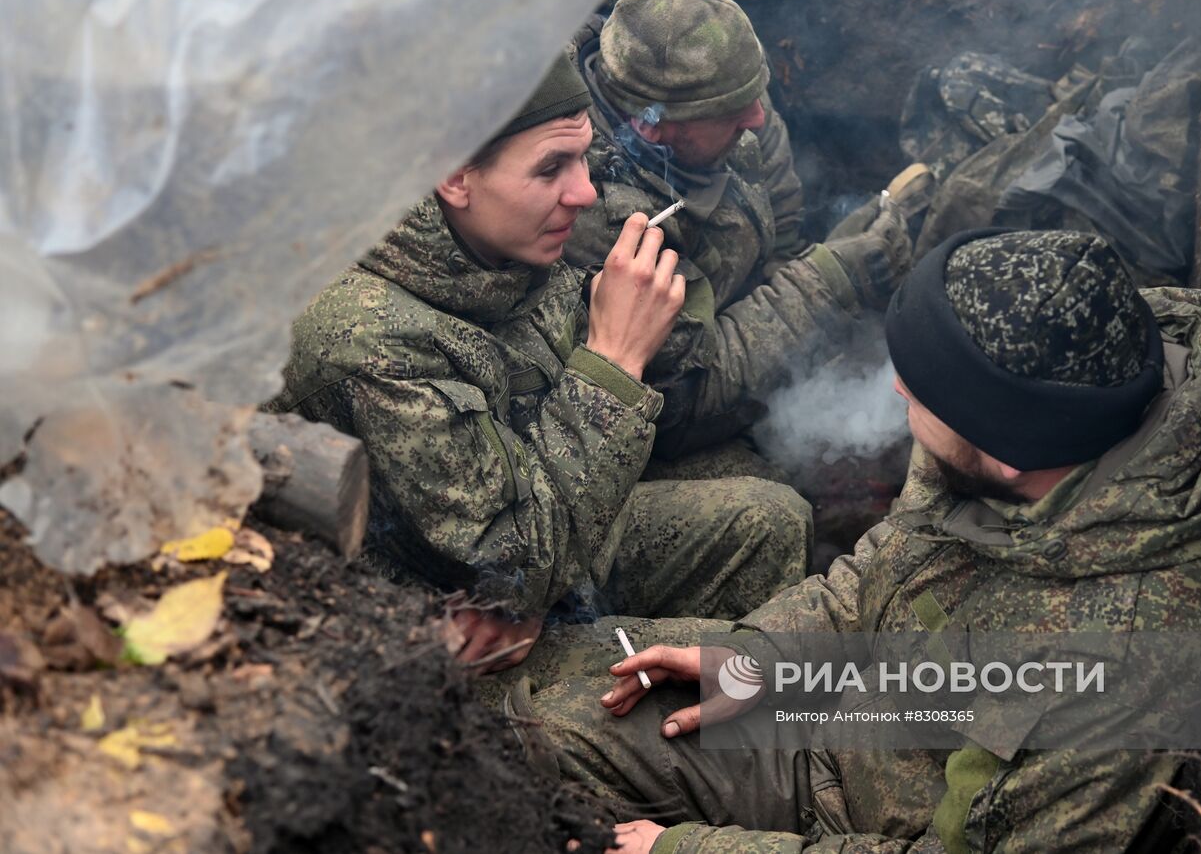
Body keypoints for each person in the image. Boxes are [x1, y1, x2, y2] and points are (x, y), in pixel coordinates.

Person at [504, 229, 1201, 852]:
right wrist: (762, 656)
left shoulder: (1107, 672)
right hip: (851, 713)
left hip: (856, 812)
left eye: (920, 392)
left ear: (1008, 450)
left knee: (524, 753)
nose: (897, 389)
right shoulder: (1064, 392)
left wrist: (683, 847)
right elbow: (893, 567)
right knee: (524, 706)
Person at [273, 55, 810, 671]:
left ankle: (769, 732)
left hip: (536, 558)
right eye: (552, 167)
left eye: (584, 158)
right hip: (441, 644)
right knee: (702, 685)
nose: (584, 193)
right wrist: (613, 362)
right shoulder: (370, 340)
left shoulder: (497, 242)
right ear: (454, 178)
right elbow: (512, 564)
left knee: (772, 520)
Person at [569, 0, 928, 475]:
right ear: (651, 124)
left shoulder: (725, 90)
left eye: (756, 95)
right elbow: (678, 401)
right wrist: (825, 283)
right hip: (648, 423)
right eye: (734, 115)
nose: (758, 118)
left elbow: (782, 221)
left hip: (740, 340)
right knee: (766, 488)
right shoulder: (589, 213)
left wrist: (806, 280)